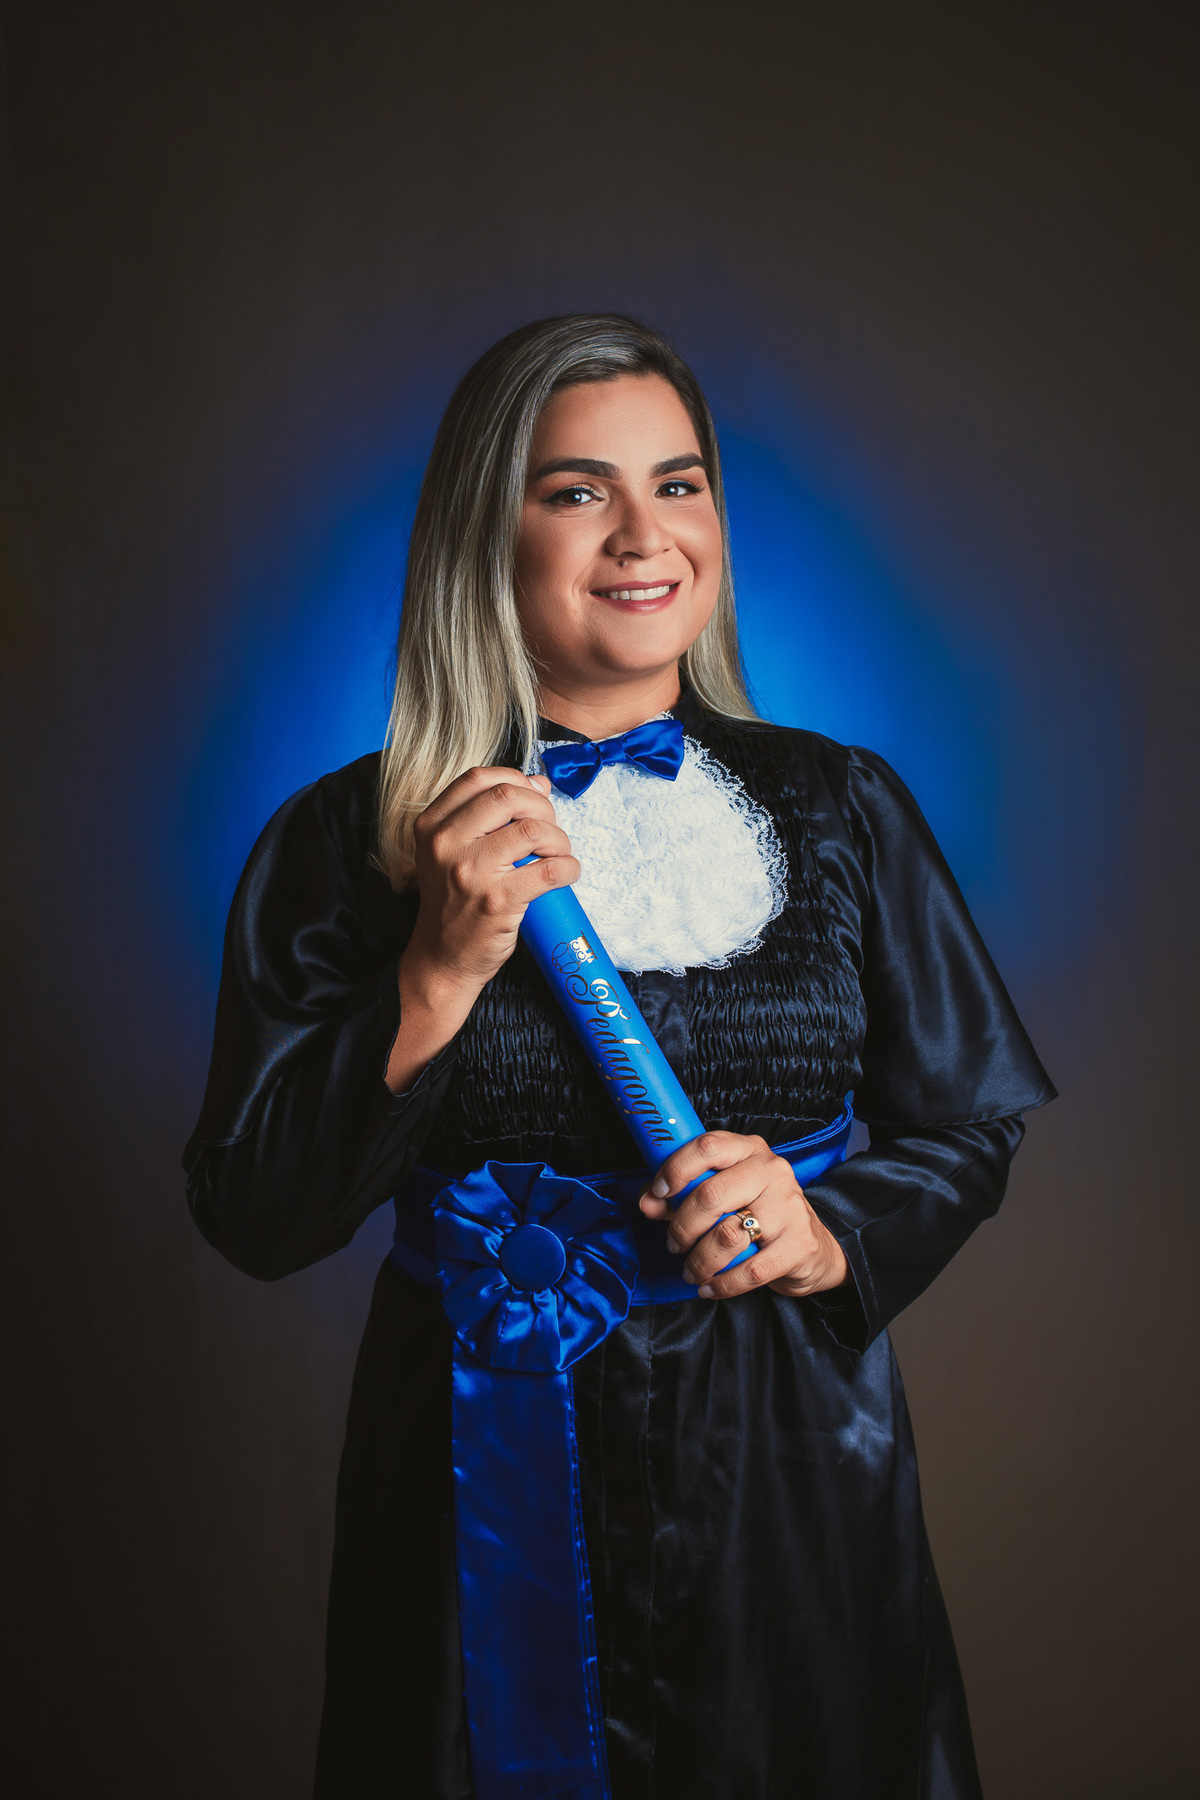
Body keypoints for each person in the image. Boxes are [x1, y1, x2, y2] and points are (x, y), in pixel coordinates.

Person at [185, 314, 1054, 1800]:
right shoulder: (349, 841)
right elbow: (256, 1212)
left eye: (680, 484)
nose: (645, 536)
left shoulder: (845, 807)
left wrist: (825, 1230)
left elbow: (970, 1127)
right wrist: (436, 970)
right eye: (578, 491)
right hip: (478, 1448)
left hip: (786, 1452)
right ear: (489, 533)